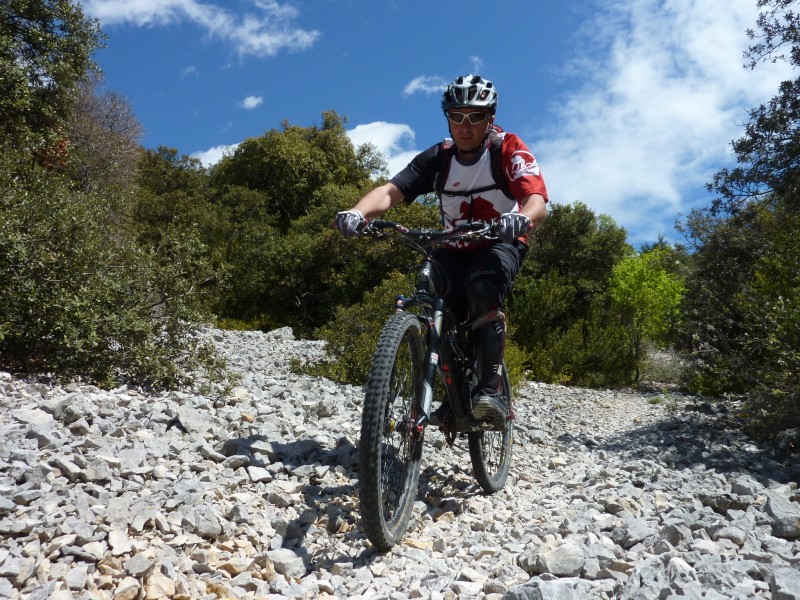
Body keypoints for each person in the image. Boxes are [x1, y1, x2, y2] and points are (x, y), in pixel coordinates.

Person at [334, 74, 548, 429]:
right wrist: (357, 212)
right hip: (452, 246)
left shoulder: (507, 149)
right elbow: (391, 191)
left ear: (490, 119)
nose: (465, 126)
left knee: (482, 288)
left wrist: (521, 219)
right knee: (433, 293)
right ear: (447, 117)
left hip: (499, 242)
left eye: (475, 116)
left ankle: (490, 390)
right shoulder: (438, 157)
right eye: (457, 116)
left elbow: (535, 200)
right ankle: (450, 395)